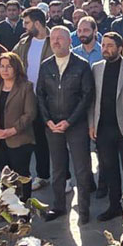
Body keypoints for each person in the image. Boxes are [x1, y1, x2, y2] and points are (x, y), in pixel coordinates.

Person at [36, 26, 95, 222]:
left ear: (70, 41)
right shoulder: (46, 66)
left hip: (75, 124)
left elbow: (87, 96)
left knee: (82, 168)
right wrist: (48, 121)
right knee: (58, 168)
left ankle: (84, 210)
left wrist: (69, 121)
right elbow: (41, 95)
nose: (55, 42)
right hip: (52, 125)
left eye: (60, 38)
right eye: (53, 38)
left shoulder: (81, 65)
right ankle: (59, 206)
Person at [89, 31, 123, 223]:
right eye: (104, 45)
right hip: (103, 127)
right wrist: (92, 124)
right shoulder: (96, 68)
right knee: (109, 169)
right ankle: (114, 206)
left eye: (110, 46)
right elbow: (93, 99)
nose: (106, 49)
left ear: (119, 49)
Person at [0, 52, 37, 201]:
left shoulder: (26, 87)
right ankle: (8, 207)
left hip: (19, 140)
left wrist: (12, 130)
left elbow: (30, 113)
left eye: (9, 66)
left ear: (16, 68)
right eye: (2, 66)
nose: (5, 70)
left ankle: (24, 208)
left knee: (21, 176)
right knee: (5, 177)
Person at [14, 7, 51, 187]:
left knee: (57, 142)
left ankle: (66, 178)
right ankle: (43, 175)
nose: (24, 26)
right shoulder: (23, 43)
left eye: (27, 23)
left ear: (37, 23)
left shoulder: (54, 41)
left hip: (52, 101)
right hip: (30, 100)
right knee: (38, 141)